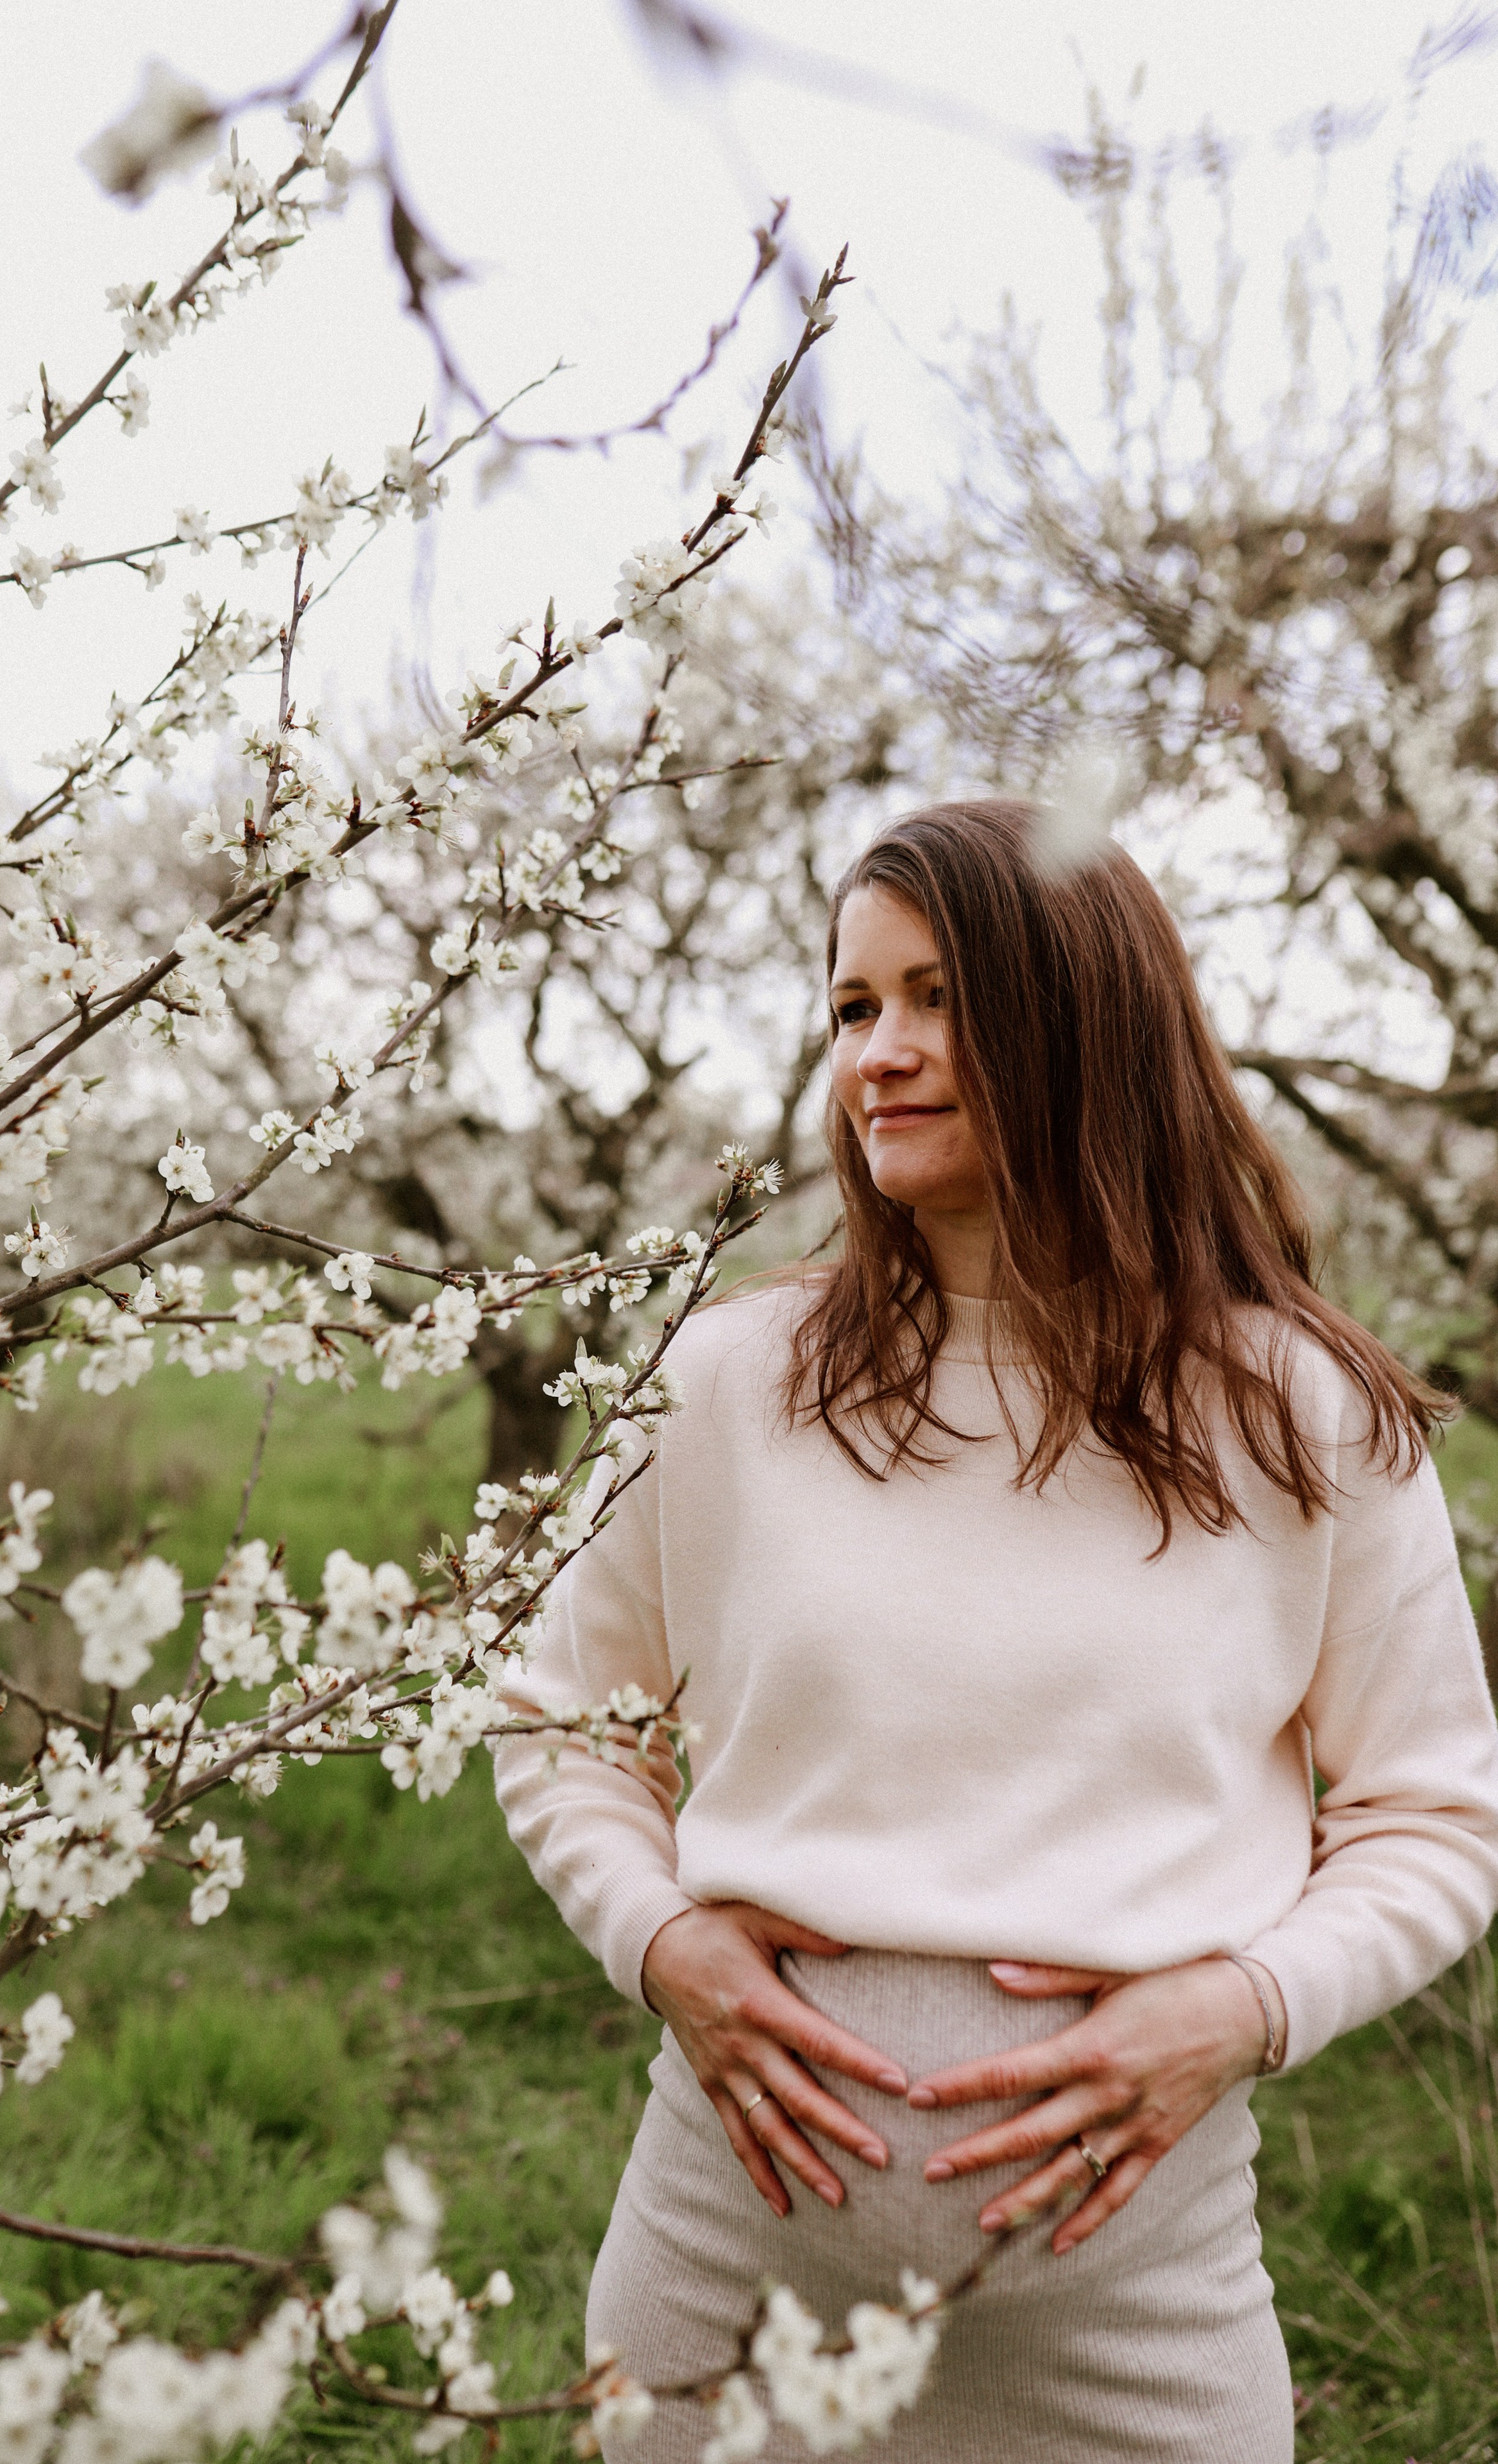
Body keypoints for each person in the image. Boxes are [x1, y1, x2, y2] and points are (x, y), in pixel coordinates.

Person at [492, 801, 1498, 2463]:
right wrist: (662, 1946)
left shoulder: (1299, 1415)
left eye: (939, 998)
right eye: (853, 1008)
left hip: (1138, 2319)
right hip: (725, 2277)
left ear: (1085, 1018)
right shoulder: (726, 1383)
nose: (881, 1052)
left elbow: (1434, 1815)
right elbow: (563, 1724)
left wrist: (1247, 2007)